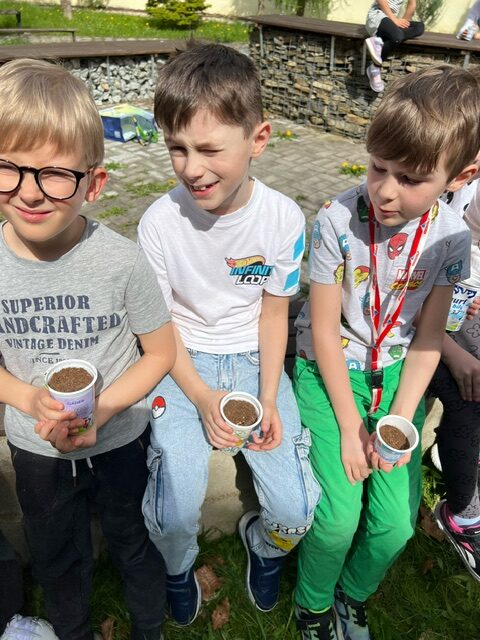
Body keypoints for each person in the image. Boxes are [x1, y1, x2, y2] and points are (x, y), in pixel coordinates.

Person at [293, 64, 480, 640]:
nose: (385, 190)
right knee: (337, 518)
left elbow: (428, 339)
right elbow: (324, 331)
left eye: (412, 177)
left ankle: (352, 594)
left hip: (398, 375)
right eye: (378, 167)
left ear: (461, 175)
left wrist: (398, 418)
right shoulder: (335, 221)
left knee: (395, 525)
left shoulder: (452, 239)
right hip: (331, 374)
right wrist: (352, 428)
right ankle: (313, 604)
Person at [137, 43, 320, 627]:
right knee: (171, 514)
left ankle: (264, 545)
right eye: (177, 148)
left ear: (258, 139)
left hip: (254, 360)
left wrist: (268, 397)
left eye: (210, 149)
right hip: (179, 361)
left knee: (297, 510)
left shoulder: (283, 218)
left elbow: (274, 313)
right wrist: (200, 396)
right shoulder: (158, 223)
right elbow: (160, 327)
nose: (192, 168)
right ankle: (177, 568)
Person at [0, 59, 176, 640]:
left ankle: (149, 627)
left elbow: (160, 353)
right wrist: (26, 397)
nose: (28, 191)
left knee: (133, 540)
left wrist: (104, 409)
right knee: (55, 555)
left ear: (93, 184)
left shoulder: (122, 261)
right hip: (36, 450)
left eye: (54, 174)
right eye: (8, 168)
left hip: (119, 439)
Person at [429, 175, 480, 583]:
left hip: (451, 316)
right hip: (417, 333)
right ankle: (463, 516)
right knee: (470, 395)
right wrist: (452, 352)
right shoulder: (424, 205)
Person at [364, 1, 424, 93]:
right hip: (377, 16)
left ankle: (378, 43)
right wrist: (394, 20)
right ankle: (375, 68)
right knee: (397, 37)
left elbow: (412, 5)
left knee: (419, 27)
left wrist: (403, 23)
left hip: (391, 21)